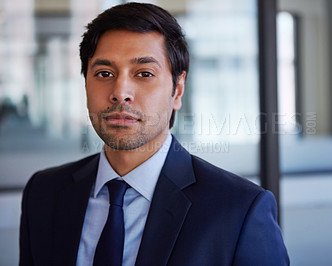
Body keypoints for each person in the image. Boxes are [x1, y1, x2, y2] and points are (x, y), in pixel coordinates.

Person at [19, 2, 289, 266]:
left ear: (178, 90)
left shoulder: (238, 209)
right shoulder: (44, 193)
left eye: (144, 73)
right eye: (104, 73)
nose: (120, 92)